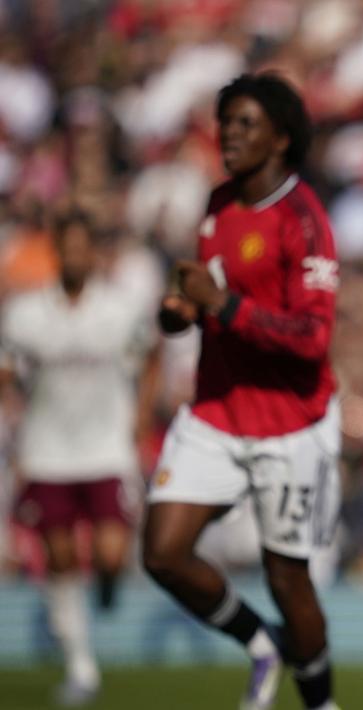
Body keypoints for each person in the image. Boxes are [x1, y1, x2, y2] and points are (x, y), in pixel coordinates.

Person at [141, 73, 342, 710]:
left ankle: (320, 702)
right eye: (226, 121)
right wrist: (183, 313)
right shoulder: (217, 202)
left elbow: (312, 336)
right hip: (216, 411)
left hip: (291, 423)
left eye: (246, 124)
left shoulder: (304, 220)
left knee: (288, 578)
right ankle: (260, 641)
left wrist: (221, 306)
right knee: (162, 554)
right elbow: (206, 301)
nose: (230, 133)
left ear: (280, 139)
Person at [0, 211, 159, 706]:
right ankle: (80, 665)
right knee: (62, 559)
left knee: (112, 553)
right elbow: (6, 369)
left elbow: (152, 353)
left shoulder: (119, 308)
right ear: (57, 253)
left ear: (94, 254)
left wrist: (142, 415)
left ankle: (109, 584)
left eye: (81, 248)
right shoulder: (26, 313)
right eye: (65, 248)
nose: (74, 257)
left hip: (106, 446)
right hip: (47, 449)